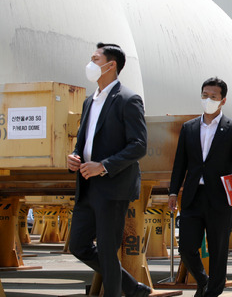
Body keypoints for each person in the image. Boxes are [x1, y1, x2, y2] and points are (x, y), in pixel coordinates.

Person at [67, 43, 150, 297]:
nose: (90, 64)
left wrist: (103, 166)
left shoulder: (128, 99)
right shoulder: (88, 102)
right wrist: (75, 157)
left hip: (112, 188)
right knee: (78, 245)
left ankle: (123, 291)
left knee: (106, 249)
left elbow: (139, 145)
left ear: (110, 65)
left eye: (95, 58)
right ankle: (131, 287)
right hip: (87, 185)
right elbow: (85, 141)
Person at [169, 77, 232, 297]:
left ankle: (212, 292)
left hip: (220, 198)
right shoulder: (189, 128)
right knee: (186, 247)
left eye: (213, 97)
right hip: (193, 196)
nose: (208, 100)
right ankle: (203, 280)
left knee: (218, 250)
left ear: (223, 100)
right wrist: (173, 191)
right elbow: (180, 163)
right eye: (205, 95)